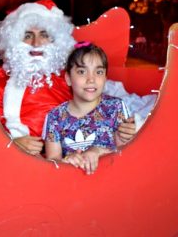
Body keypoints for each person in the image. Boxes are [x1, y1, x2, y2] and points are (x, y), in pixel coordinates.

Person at [0, 0, 146, 156]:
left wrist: (132, 125)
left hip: (71, 162)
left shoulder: (72, 76)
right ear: (13, 40)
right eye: (27, 35)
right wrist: (10, 143)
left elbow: (119, 102)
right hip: (13, 167)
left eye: (44, 35)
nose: (36, 43)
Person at [43, 42, 127, 174]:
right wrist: (67, 160)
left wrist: (97, 151)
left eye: (98, 72)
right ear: (68, 78)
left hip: (111, 182)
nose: (91, 79)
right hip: (72, 187)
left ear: (105, 78)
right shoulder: (55, 116)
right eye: (82, 71)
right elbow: (52, 160)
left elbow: (126, 154)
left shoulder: (116, 107)